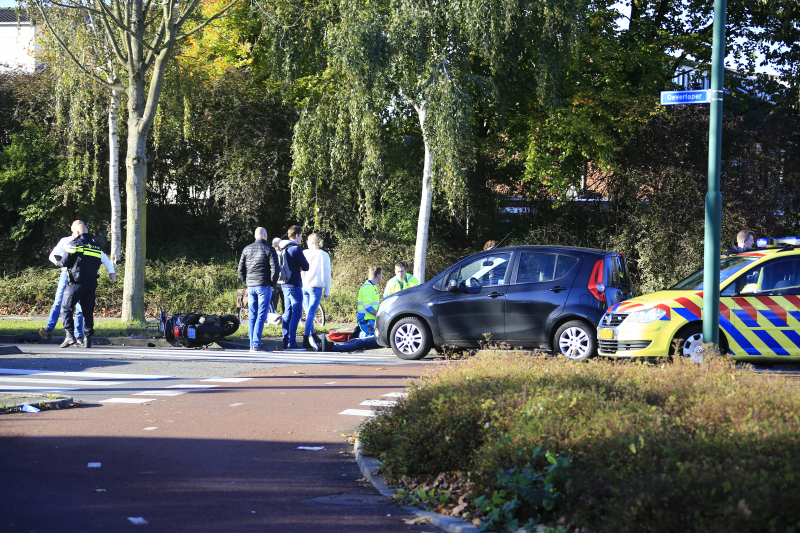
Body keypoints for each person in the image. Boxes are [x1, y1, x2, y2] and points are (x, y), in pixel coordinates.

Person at [40, 221, 116, 344]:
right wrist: (57, 262)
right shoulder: (66, 241)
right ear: (73, 229)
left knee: (76, 307)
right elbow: (53, 255)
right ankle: (50, 329)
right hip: (71, 275)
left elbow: (104, 257)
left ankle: (77, 336)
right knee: (60, 302)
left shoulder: (85, 243)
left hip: (78, 277)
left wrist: (111, 271)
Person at [54, 221, 108, 348]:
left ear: (77, 232)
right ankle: (87, 339)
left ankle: (69, 336)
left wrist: (58, 262)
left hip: (76, 282)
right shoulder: (96, 246)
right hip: (91, 282)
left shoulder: (75, 243)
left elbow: (65, 262)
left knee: (66, 307)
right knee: (87, 311)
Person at [318, 266, 382, 353]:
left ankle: (331, 347)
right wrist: (379, 315)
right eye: (381, 275)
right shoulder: (368, 287)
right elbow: (368, 306)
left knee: (358, 342)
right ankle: (331, 347)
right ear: (378, 275)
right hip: (367, 320)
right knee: (359, 342)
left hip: (370, 322)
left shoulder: (372, 287)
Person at [238, 227, 279, 352]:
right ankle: (256, 344)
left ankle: (252, 343)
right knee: (261, 315)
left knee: (252, 315)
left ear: (255, 236)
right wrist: (272, 284)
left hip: (251, 287)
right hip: (264, 286)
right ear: (265, 235)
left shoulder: (246, 249)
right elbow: (275, 269)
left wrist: (247, 282)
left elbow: (240, 270)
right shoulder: (269, 249)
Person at [278, 225, 309, 350]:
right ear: (296, 235)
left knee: (287, 314)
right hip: (295, 284)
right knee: (296, 314)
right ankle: (292, 342)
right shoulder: (295, 249)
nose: (301, 238)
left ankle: (285, 342)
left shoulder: (281, 247)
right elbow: (306, 266)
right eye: (301, 235)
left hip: (284, 284)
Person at [301, 233, 331, 351]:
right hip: (316, 286)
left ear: (312, 242)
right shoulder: (324, 255)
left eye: (308, 241)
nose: (307, 243)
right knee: (311, 314)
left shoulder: (304, 253)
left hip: (304, 286)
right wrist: (327, 290)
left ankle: (311, 335)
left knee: (309, 313)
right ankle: (306, 337)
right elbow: (327, 273)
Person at [269, 237, 284, 314]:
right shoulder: (271, 256)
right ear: (273, 246)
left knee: (285, 306)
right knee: (273, 306)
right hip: (275, 285)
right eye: (276, 246)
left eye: (279, 246)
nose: (278, 248)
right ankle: (272, 320)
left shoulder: (284, 254)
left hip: (284, 284)